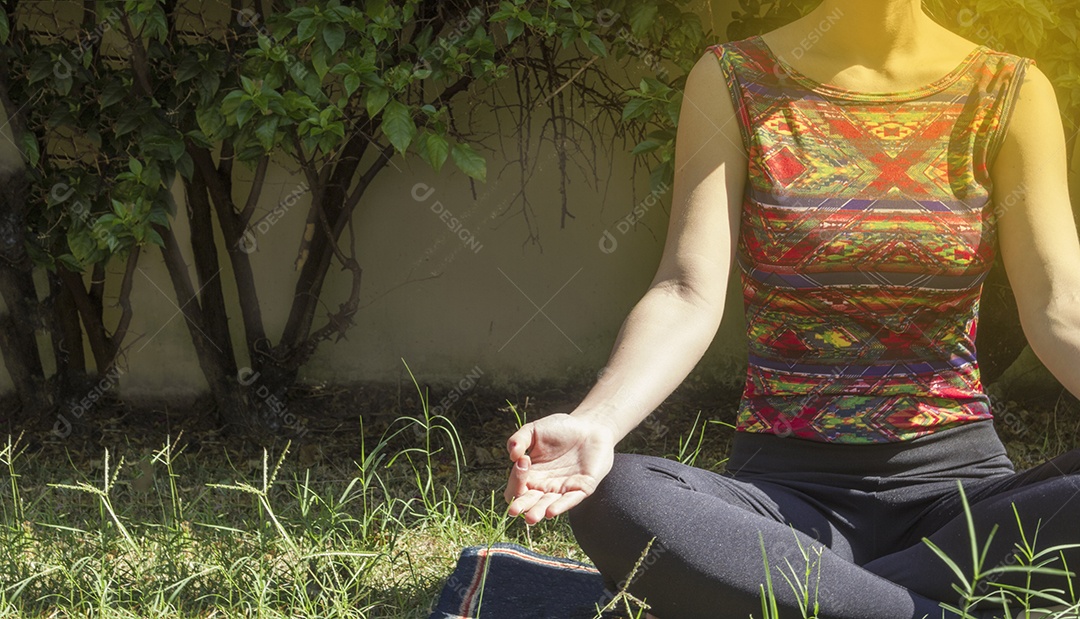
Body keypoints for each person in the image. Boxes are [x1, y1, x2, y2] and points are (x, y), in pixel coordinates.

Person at [503, 0, 1080, 618]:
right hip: (781, 504)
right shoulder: (734, 79)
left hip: (961, 506)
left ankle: (806, 597)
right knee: (616, 492)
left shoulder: (1010, 90)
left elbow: (1060, 304)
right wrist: (599, 420)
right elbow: (686, 291)